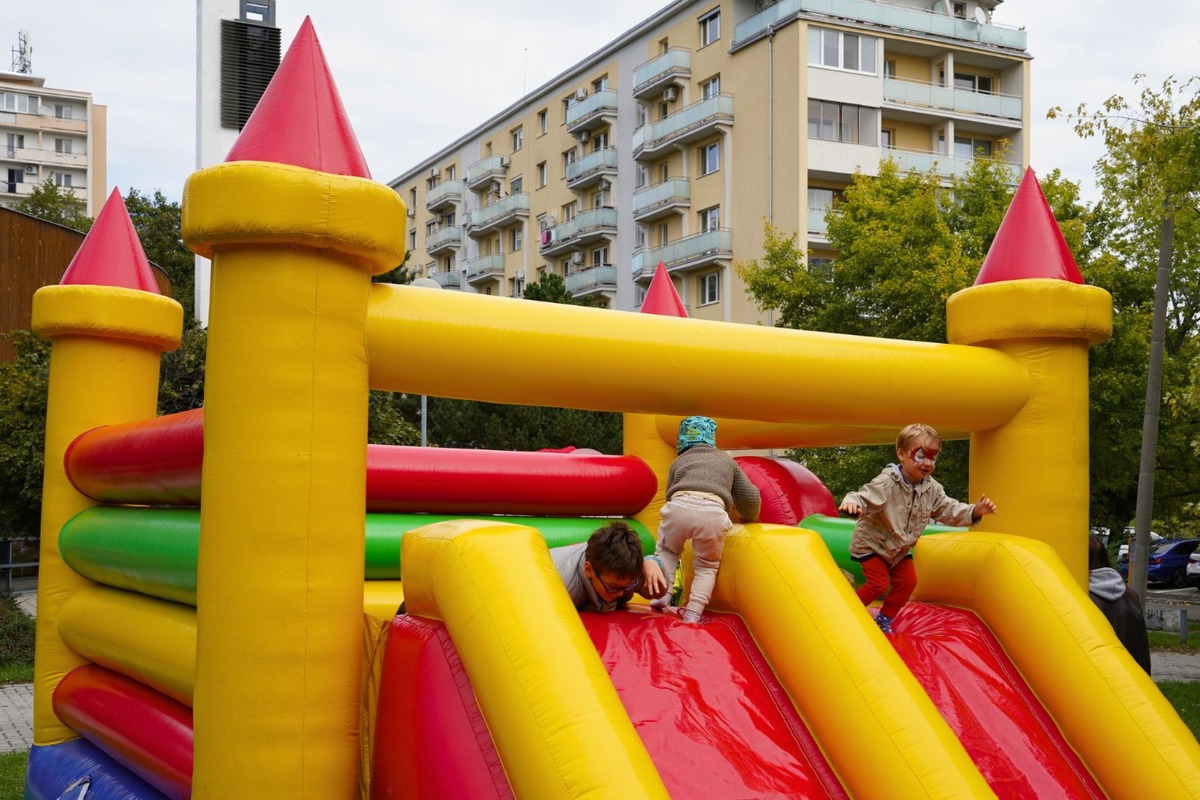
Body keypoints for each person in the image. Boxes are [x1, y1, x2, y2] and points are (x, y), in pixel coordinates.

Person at [838, 423, 996, 634]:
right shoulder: (887, 482)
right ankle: (845, 613)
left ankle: (884, 619)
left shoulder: (932, 489)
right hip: (872, 544)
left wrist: (974, 511)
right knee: (878, 584)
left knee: (909, 581)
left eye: (933, 457)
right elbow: (864, 495)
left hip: (898, 549)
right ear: (901, 454)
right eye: (920, 456)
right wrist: (853, 504)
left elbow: (948, 509)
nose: (928, 463)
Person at [648, 416, 761, 623]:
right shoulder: (727, 461)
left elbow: (669, 495)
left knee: (668, 551)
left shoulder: (678, 461)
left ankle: (662, 597)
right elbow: (750, 497)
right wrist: (749, 515)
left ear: (682, 442)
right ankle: (693, 612)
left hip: (679, 507)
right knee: (706, 566)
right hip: (712, 514)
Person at [552, 521, 667, 612]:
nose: (620, 593)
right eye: (613, 586)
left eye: (628, 585)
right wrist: (587, 609)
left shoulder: (619, 569)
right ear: (588, 570)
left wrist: (651, 562)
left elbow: (657, 593)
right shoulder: (562, 588)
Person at [1088, 533, 1151, 674]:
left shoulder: (1081, 598)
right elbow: (1141, 645)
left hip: (1099, 677)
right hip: (1132, 676)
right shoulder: (1130, 594)